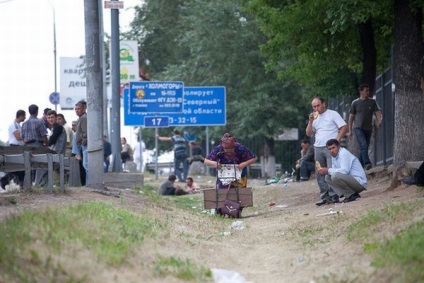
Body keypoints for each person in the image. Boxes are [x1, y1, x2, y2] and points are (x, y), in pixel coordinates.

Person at [306, 97, 348, 206]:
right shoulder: (314, 118)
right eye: (314, 107)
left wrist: (337, 140)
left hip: (330, 146)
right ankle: (324, 196)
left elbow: (344, 127)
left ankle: (334, 194)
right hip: (318, 147)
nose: (316, 108)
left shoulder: (332, 114)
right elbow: (308, 133)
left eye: (318, 105)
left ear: (323, 104)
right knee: (320, 171)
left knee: (330, 170)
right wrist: (310, 122)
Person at [318, 139, 367, 203]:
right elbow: (335, 171)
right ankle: (346, 195)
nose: (332, 151)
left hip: (359, 182)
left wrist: (328, 170)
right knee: (328, 177)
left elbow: (345, 171)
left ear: (338, 146)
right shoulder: (334, 156)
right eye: (329, 149)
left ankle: (352, 195)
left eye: (333, 148)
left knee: (335, 176)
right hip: (350, 181)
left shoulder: (343, 153)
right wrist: (327, 171)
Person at [348, 84, 382, 170]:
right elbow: (351, 117)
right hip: (358, 127)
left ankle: (359, 166)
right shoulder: (355, 103)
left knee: (365, 147)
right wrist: (350, 130)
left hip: (368, 128)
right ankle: (367, 163)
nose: (368, 92)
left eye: (368, 90)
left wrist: (379, 120)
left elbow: (378, 113)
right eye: (366, 91)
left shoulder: (372, 102)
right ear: (361, 91)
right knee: (363, 145)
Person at [21, 104, 49, 187]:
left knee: (29, 165)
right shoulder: (39, 121)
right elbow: (44, 136)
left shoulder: (24, 123)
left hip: (28, 146)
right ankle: (38, 184)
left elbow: (22, 137)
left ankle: (28, 185)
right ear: (37, 111)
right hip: (38, 145)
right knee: (41, 165)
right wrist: (46, 146)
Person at [0, 110, 26, 190]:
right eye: (24, 116)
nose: (25, 117)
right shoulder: (13, 125)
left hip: (19, 147)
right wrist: (27, 138)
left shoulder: (18, 125)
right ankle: (5, 180)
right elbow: (18, 137)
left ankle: (20, 184)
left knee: (22, 167)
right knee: (18, 167)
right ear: (20, 116)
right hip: (15, 147)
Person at [75, 100, 88, 183]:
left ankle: (89, 183)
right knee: (85, 165)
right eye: (75, 109)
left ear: (84, 109)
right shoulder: (80, 118)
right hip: (82, 145)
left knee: (86, 165)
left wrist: (83, 142)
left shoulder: (84, 118)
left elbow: (85, 132)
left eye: (79, 109)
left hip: (85, 145)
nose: (77, 111)